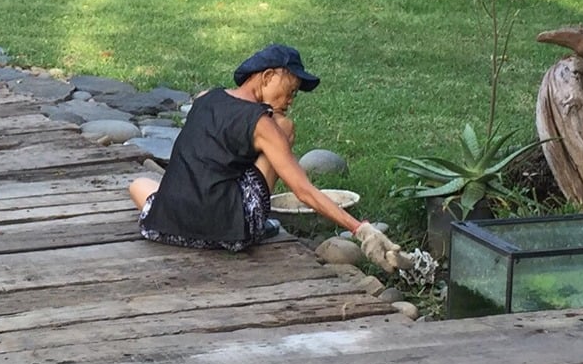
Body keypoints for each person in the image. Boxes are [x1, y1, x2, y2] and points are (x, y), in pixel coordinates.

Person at [129, 44, 403, 269]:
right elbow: (303, 190)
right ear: (268, 76)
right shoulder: (263, 123)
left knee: (138, 185)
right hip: (230, 232)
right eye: (291, 90)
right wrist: (361, 229)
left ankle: (193, 213)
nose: (291, 100)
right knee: (283, 126)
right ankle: (256, 220)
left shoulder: (205, 99)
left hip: (167, 227)